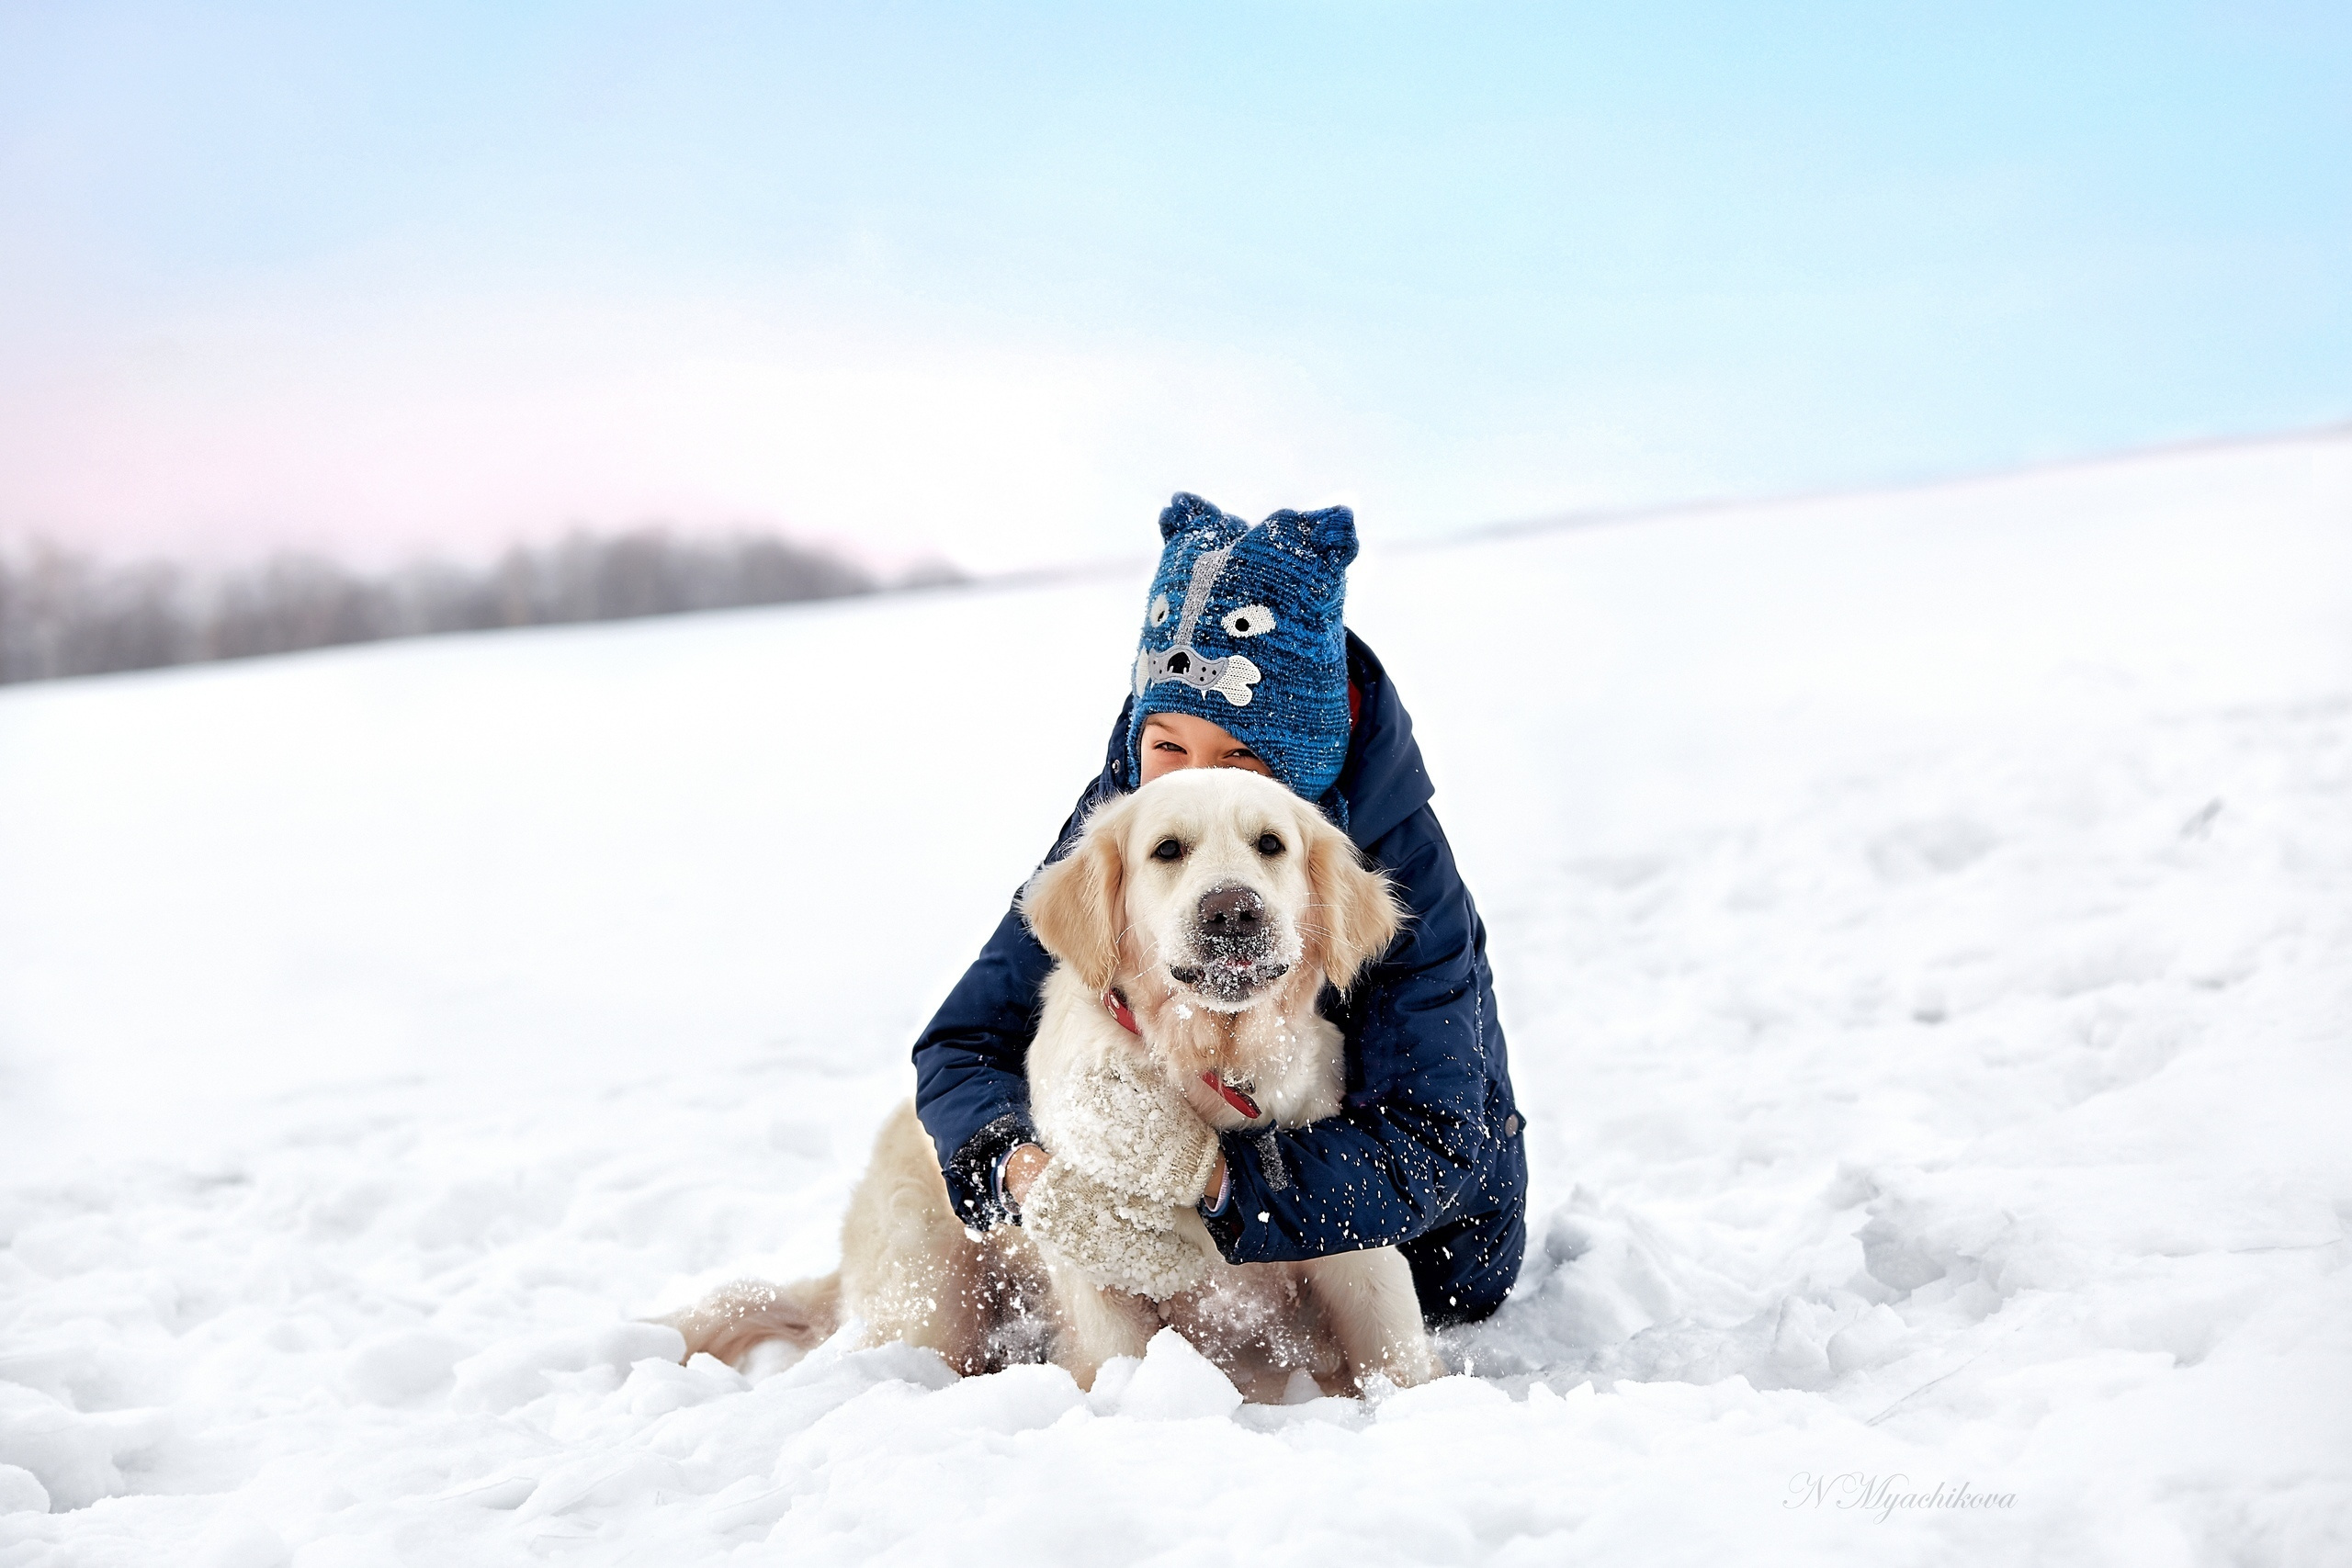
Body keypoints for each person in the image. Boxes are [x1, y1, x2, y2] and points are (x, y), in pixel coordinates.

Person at [911, 492, 1526, 1327]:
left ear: (1301, 762)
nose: (1192, 777)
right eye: (1169, 744)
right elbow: (963, 1042)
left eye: (1242, 759)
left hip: (1431, 1250)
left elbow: (1433, 1142)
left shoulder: (1401, 865)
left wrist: (1207, 1176)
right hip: (1204, 1232)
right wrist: (1028, 1176)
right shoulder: (1131, 816)